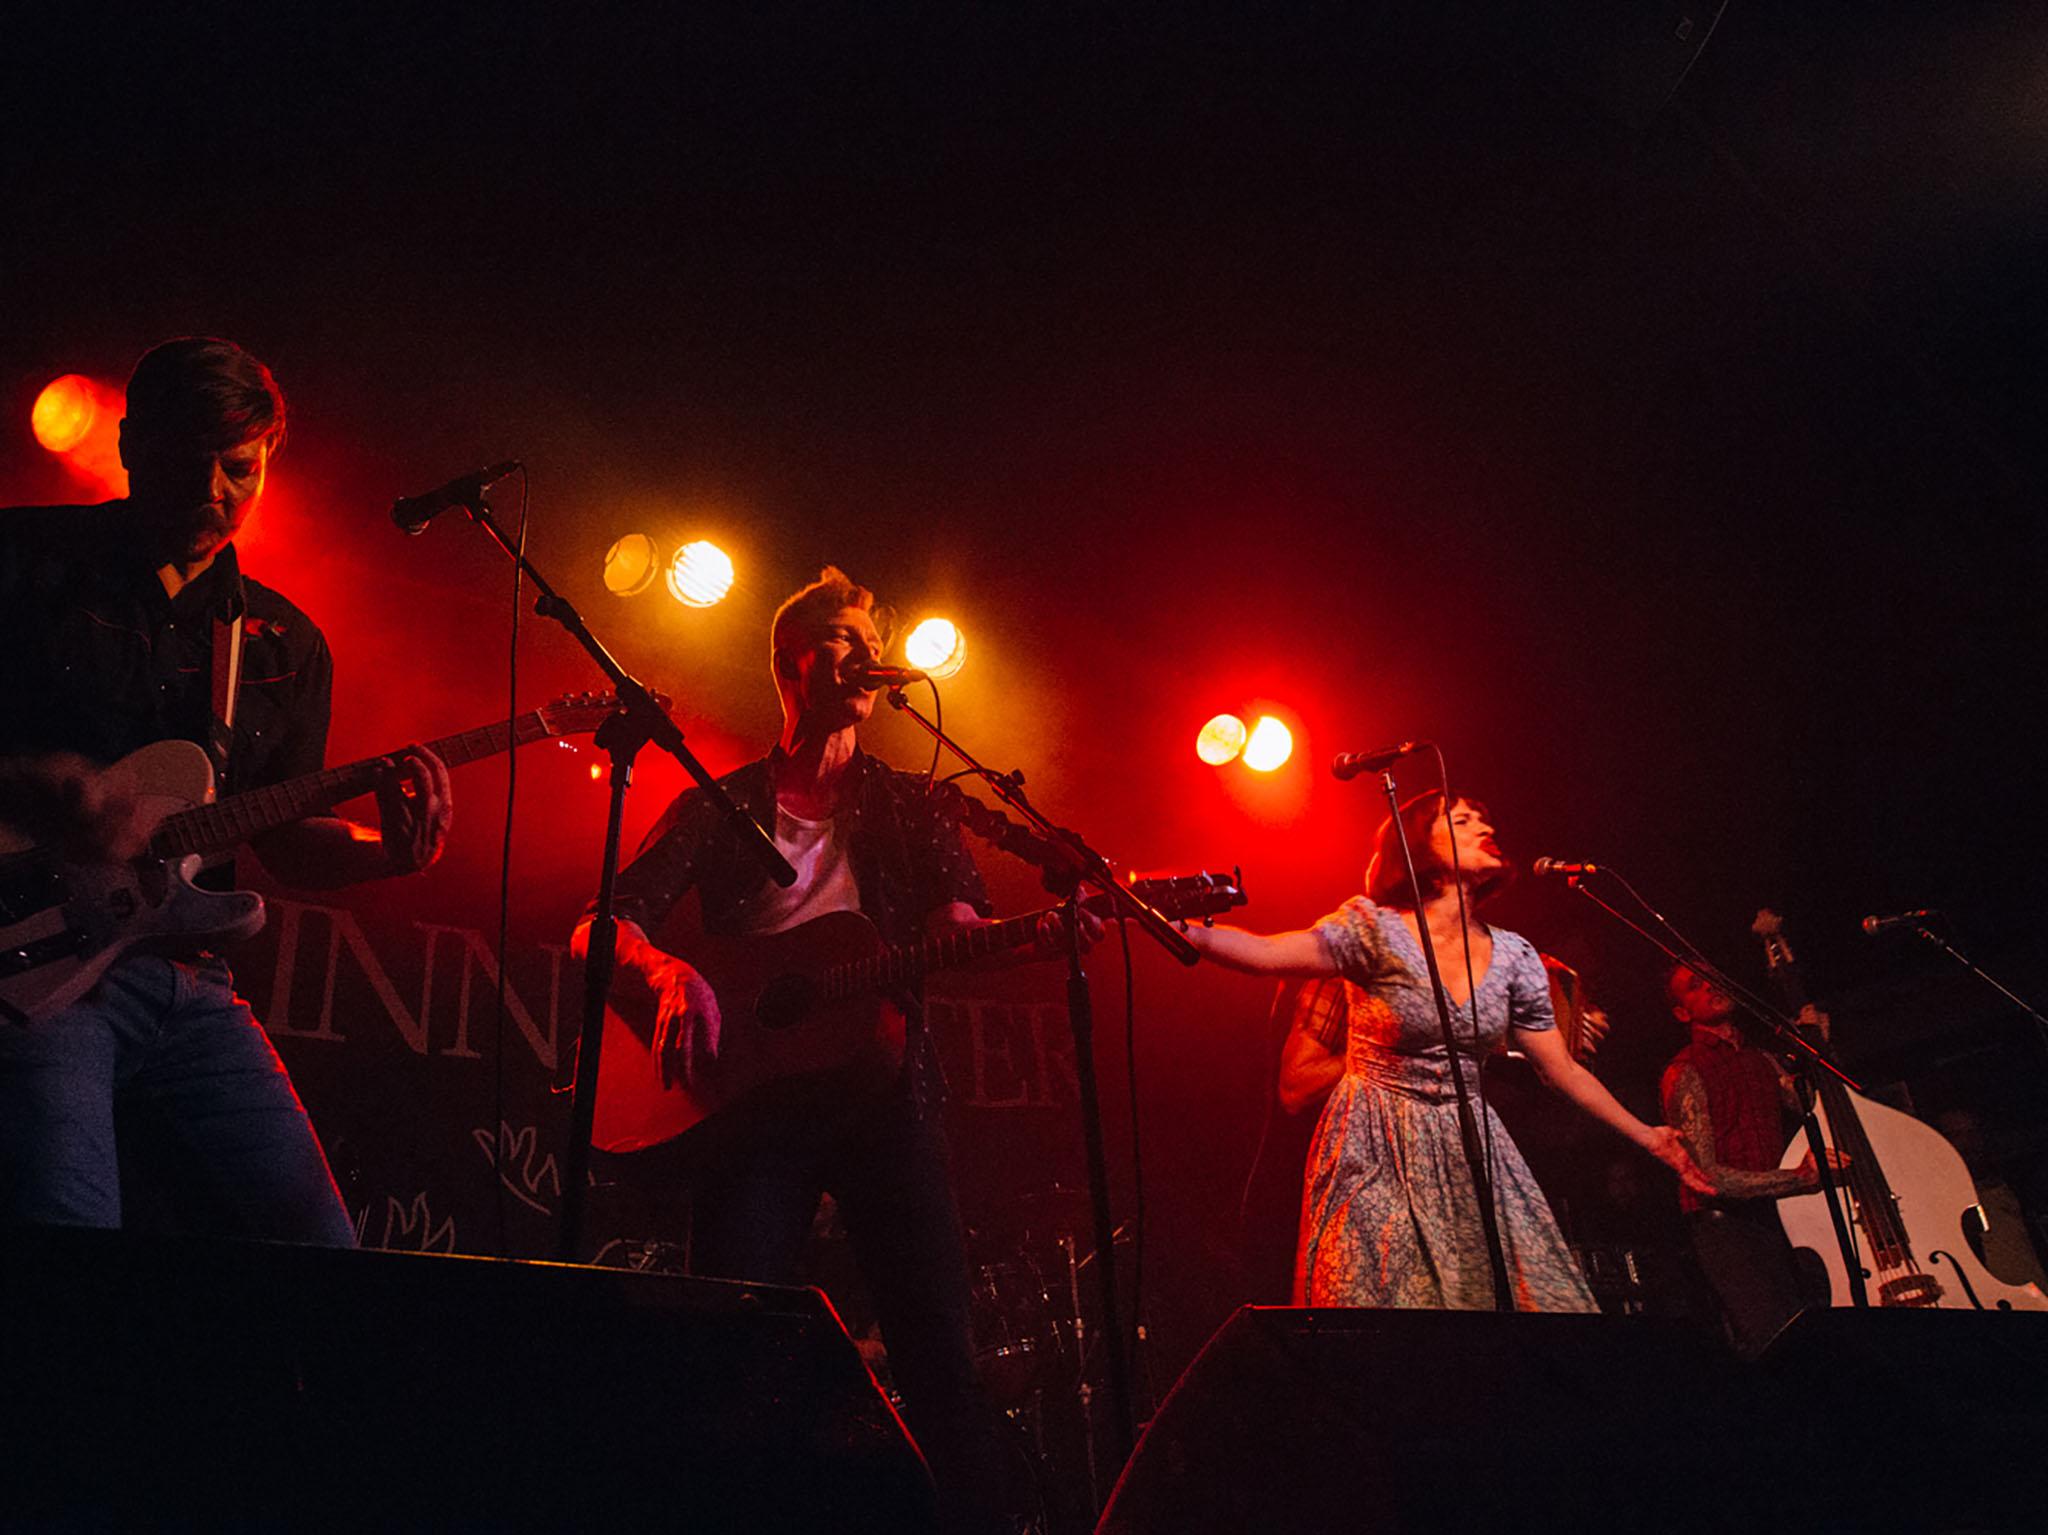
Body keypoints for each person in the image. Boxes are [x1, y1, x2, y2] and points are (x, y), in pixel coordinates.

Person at [571, 566, 1091, 1532]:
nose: (861, 655)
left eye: (867, 639)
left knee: (940, 1357)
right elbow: (601, 925)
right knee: (731, 1355)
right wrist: (669, 975)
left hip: (885, 1098)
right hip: (750, 1107)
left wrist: (1038, 932)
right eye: (841, 639)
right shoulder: (717, 804)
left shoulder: (914, 804)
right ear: (790, 665)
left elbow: (959, 924)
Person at [1, 337, 452, 1245]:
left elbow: (285, 840)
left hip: (187, 980)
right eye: (186, 458)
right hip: (28, 969)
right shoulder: (22, 562)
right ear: (130, 445)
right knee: (67, 1254)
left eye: (239, 467)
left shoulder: (286, 645)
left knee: (323, 1254)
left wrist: (386, 856)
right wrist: (27, 784)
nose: (214, 489)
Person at [1186, 789, 1709, 1310]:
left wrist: (1650, 1136)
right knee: (1387, 1307)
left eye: (1484, 821)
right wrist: (1169, 924)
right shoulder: (1373, 930)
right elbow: (1264, 954)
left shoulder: (1513, 956)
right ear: (1420, 850)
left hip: (1469, 1146)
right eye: (1462, 822)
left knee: (1527, 1306)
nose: (1485, 830)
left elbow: (1564, 1071)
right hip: (1375, 1142)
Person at [1659, 964, 1841, 1354]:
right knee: (1778, 1342)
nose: (1711, 985)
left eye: (1714, 977)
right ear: (1682, 1012)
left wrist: (1821, 1048)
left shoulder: (1762, 1059)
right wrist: (1800, 1178)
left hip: (1780, 1217)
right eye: (1695, 985)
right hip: (1728, 1229)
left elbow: (1818, 1104)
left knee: (1821, 1331)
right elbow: (1706, 1177)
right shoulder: (1685, 1070)